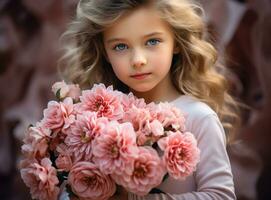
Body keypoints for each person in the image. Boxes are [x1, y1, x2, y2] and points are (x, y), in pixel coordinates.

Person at [60, 0, 240, 199]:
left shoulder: (200, 118)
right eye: (120, 46)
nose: (138, 60)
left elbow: (221, 196)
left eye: (152, 41)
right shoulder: (94, 120)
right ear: (105, 53)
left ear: (177, 43)